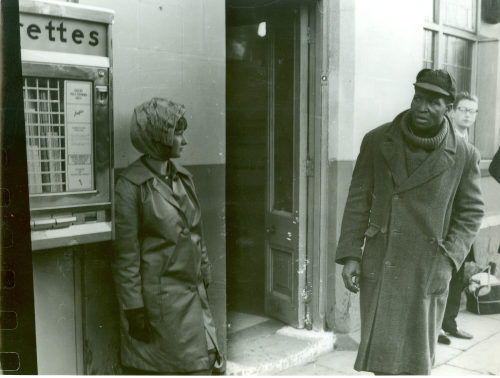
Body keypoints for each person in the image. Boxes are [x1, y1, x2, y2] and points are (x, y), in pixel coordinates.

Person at [336, 69, 484, 375]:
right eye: (418, 97)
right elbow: (358, 200)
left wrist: (448, 259)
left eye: (433, 101)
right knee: (383, 359)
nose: (422, 107)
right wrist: (351, 253)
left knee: (415, 361)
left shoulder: (464, 155)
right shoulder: (378, 140)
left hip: (427, 266)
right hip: (381, 259)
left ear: (448, 107)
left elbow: (471, 213)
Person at [112, 98, 221, 375]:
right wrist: (134, 309)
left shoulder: (183, 177)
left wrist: (205, 269)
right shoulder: (130, 186)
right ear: (158, 137)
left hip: (193, 298)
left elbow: (197, 231)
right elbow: (126, 257)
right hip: (159, 307)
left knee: (203, 364)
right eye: (178, 133)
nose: (184, 141)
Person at [438, 92, 479, 345]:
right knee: (441, 273)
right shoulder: (444, 137)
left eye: (472, 111)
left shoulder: (470, 143)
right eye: (463, 109)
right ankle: (435, 326)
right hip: (443, 218)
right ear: (452, 111)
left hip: (462, 219)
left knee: (459, 271)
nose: (467, 115)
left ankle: (449, 323)